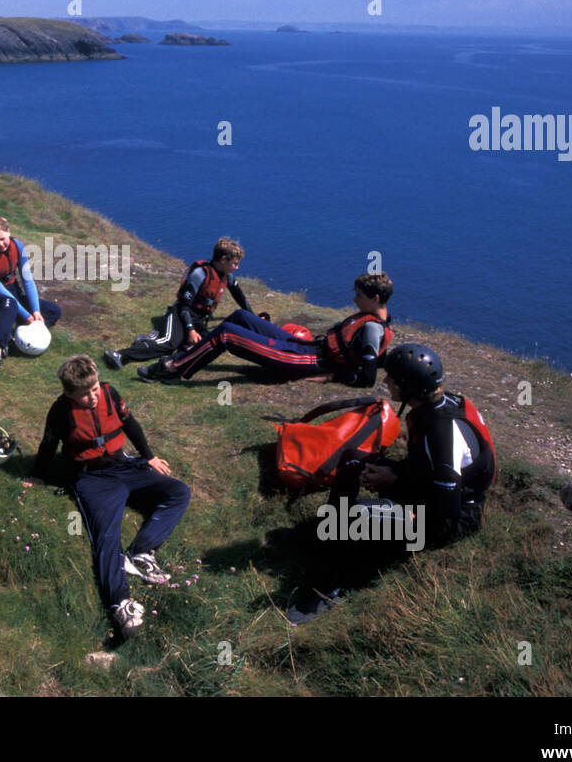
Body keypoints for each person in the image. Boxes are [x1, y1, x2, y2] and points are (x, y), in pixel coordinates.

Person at [282, 343, 496, 623]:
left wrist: (394, 484)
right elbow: (428, 470)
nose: (385, 382)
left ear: (407, 386)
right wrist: (394, 476)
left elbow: (444, 507)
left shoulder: (442, 433)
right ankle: (327, 534)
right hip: (439, 492)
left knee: (356, 518)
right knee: (352, 461)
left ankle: (331, 588)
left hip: (453, 517)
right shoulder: (437, 406)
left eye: (391, 378)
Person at [33, 355, 191, 639]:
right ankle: (121, 603)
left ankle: (141, 552)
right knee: (106, 536)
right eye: (85, 394)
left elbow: (130, 424)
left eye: (94, 389)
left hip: (124, 465)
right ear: (69, 393)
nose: (93, 397)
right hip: (92, 478)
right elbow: (47, 445)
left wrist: (149, 457)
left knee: (179, 491)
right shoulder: (60, 411)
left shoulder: (108, 392)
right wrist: (38, 475)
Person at [138, 272, 393, 388]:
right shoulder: (374, 320)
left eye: (359, 296)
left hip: (305, 361)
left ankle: (174, 368)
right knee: (241, 316)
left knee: (226, 333)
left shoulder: (372, 327)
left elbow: (367, 379)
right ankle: (196, 350)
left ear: (376, 297)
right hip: (308, 348)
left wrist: (331, 377)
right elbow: (375, 358)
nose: (354, 301)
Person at [103, 237, 249, 370]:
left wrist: (252, 318)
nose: (237, 267)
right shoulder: (200, 274)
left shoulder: (226, 277)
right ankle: (120, 355)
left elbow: (239, 296)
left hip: (199, 319)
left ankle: (152, 346)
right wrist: (190, 330)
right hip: (181, 313)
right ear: (223, 259)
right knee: (170, 344)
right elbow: (184, 305)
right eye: (235, 263)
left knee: (205, 346)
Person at [0, 216, 61, 378]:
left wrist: (36, 312)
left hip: (12, 292)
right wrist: (26, 315)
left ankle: (15, 335)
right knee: (9, 302)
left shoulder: (17, 246)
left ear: (9, 232)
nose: (0, 245)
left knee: (53, 310)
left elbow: (27, 280)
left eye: (3, 239)